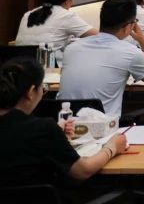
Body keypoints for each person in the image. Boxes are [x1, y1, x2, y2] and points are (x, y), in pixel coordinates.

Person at [0, 58, 128, 184]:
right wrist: (112, 147)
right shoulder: (43, 129)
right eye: (42, 88)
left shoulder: (41, 130)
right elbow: (83, 171)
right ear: (31, 92)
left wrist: (57, 135)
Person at [59, 0, 144, 118]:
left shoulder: (71, 48)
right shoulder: (130, 52)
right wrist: (142, 40)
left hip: (65, 122)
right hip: (103, 125)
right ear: (129, 26)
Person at [15, 0, 96, 50]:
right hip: (48, 62)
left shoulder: (28, 14)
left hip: (21, 60)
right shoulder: (65, 15)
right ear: (68, 0)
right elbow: (98, 36)